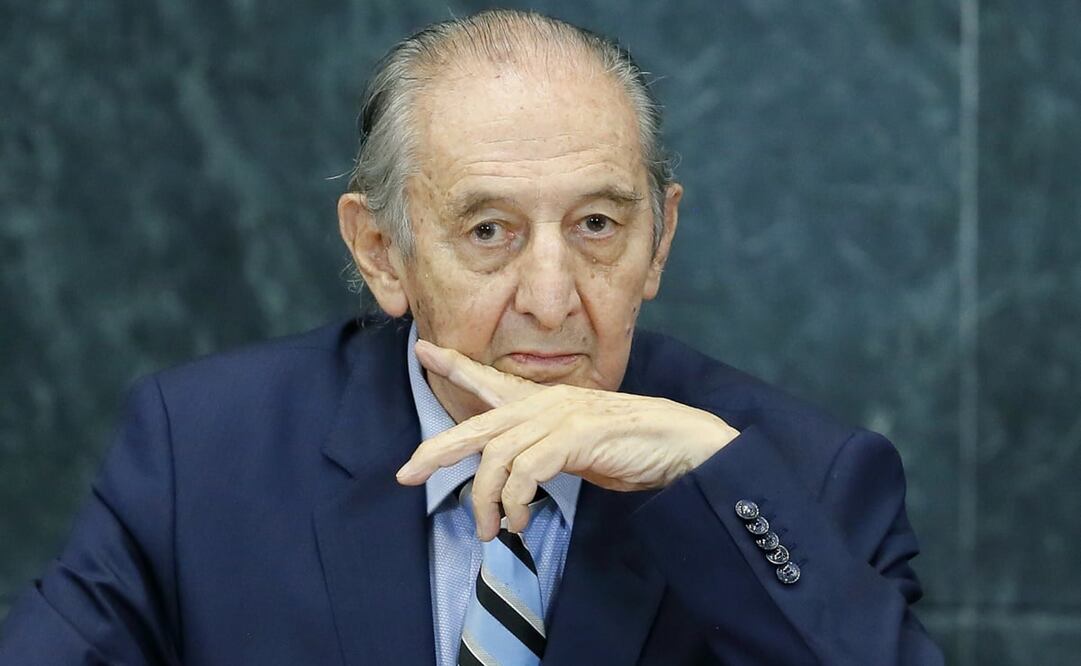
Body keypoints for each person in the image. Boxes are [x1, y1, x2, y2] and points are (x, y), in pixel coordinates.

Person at [0, 9, 943, 665]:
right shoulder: (203, 452)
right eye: (489, 231)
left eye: (597, 226)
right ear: (382, 252)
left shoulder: (801, 482)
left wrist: (709, 483)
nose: (550, 299)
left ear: (658, 242)